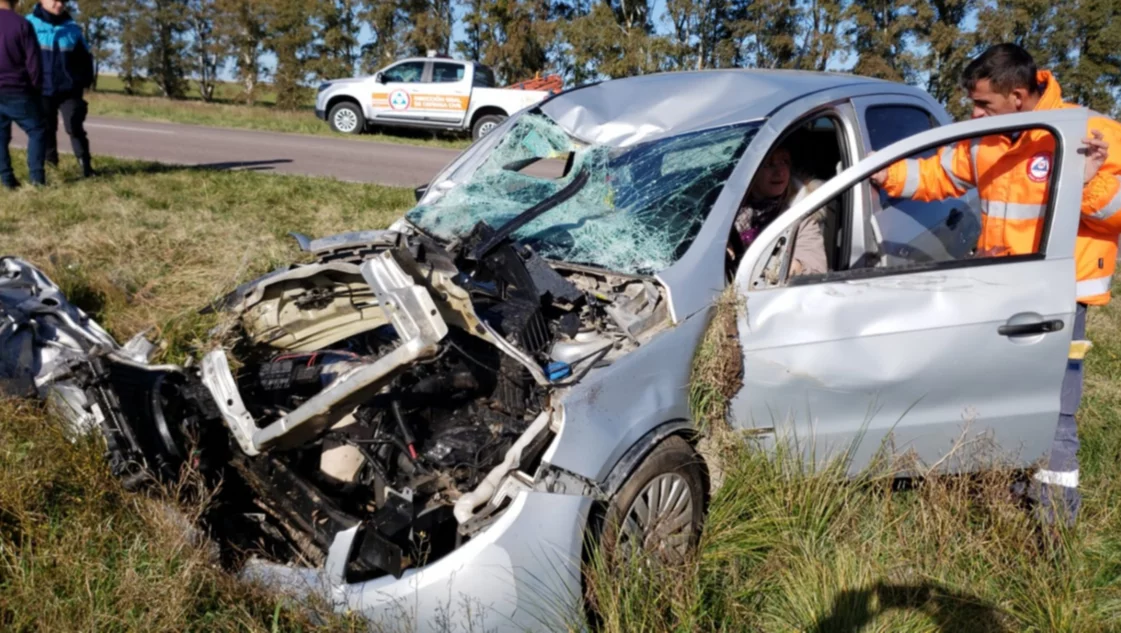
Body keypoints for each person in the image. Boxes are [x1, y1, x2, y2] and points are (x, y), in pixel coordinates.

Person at [870, 43, 1121, 526]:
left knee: (1055, 414)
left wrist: (1085, 182)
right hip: (1001, 291)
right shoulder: (990, 136)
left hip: (1058, 299)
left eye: (983, 104)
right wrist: (887, 174)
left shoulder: (1090, 135)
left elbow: (1114, 215)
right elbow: (941, 175)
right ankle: (1011, 487)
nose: (973, 114)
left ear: (1019, 95)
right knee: (1005, 396)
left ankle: (1055, 528)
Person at [732, 142, 829, 277]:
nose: (779, 172)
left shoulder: (801, 213)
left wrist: (790, 267)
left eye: (784, 162)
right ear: (750, 170)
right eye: (768, 164)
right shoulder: (728, 209)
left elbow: (815, 270)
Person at [26, 0, 93, 177]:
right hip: (41, 89)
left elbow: (85, 60)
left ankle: (85, 166)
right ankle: (52, 167)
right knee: (47, 129)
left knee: (74, 126)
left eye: (63, 1)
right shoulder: (28, 24)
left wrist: (82, 82)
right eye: (55, 0)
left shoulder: (73, 28)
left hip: (69, 89)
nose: (59, 4)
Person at [0, 0, 46, 189]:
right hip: (17, 88)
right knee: (37, 130)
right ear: (17, 2)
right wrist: (36, 88)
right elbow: (33, 62)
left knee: (0, 136)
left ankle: (7, 179)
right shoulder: (22, 24)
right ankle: (37, 179)